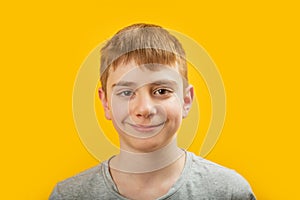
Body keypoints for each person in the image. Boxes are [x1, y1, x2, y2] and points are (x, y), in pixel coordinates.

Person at [49, 23, 256, 200]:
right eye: (127, 92)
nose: (144, 109)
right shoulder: (69, 195)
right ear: (105, 103)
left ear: (186, 100)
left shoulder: (228, 192)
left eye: (161, 91)